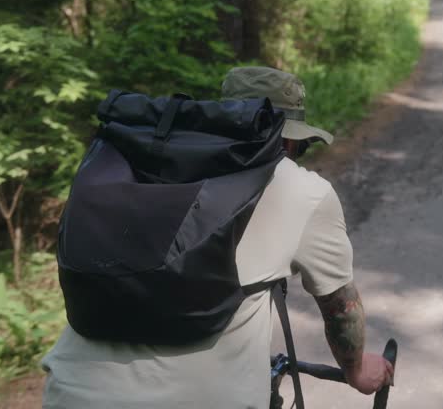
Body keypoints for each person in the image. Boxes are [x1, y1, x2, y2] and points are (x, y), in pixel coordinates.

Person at [41, 66, 393, 408]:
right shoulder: (305, 191)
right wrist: (358, 370)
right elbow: (341, 309)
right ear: (288, 139)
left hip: (70, 392)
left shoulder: (145, 161)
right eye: (300, 148)